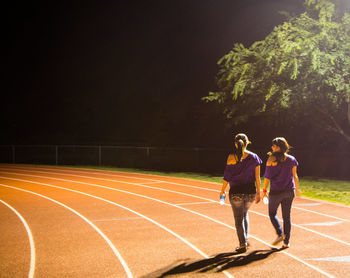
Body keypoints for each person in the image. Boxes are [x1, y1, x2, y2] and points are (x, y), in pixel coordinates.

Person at [220, 133, 262, 253]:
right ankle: (246, 239)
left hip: (236, 192)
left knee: (238, 219)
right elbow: (257, 177)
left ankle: (242, 244)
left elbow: (226, 177)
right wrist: (259, 192)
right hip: (250, 192)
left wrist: (222, 190)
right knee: (244, 215)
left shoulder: (231, 157)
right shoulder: (255, 157)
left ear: (235, 143)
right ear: (247, 142)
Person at [261, 137, 300, 249]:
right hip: (289, 191)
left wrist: (264, 190)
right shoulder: (292, 159)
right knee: (287, 217)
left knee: (272, 214)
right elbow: (295, 176)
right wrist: (297, 189)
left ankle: (280, 234)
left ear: (278, 147)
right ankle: (286, 242)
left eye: (274, 145)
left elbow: (267, 177)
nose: (272, 147)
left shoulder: (271, 159)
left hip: (276, 191)